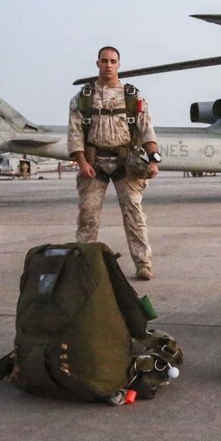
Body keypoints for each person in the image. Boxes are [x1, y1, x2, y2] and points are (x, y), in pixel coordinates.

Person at [67, 46, 160, 280]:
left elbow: (147, 130)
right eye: (104, 61)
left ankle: (143, 263)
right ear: (97, 63)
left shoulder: (133, 97)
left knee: (134, 214)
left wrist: (154, 160)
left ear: (119, 64)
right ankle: (85, 264)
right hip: (93, 163)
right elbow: (75, 132)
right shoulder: (83, 97)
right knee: (88, 214)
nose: (108, 65)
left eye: (113, 61)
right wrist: (81, 162)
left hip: (126, 163)